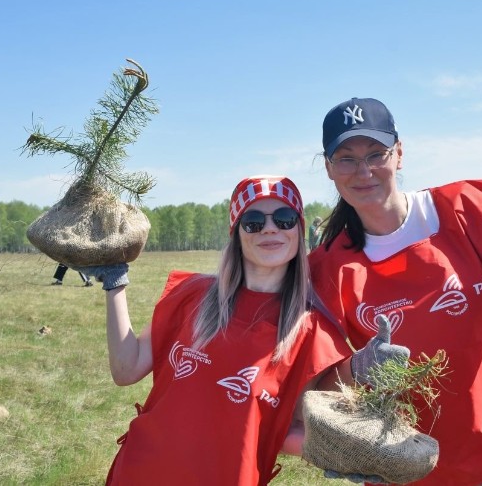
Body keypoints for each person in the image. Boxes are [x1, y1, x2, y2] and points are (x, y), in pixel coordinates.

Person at [310, 97, 482, 485]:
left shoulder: (463, 211)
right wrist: (356, 368)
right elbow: (316, 384)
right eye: (346, 159)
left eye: (376, 154)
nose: (364, 171)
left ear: (399, 154)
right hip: (403, 463)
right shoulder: (324, 268)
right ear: (329, 168)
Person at [78, 175, 408, 485]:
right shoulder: (192, 295)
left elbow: (285, 428)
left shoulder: (310, 332)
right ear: (237, 233)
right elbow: (126, 369)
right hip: (142, 471)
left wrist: (348, 452)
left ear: (299, 230)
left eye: (284, 219)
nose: (270, 228)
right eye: (253, 221)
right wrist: (115, 282)